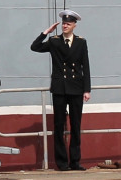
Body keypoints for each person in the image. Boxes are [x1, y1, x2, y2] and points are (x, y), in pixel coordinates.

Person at [30, 10, 91, 171]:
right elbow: (34, 47)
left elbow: (86, 66)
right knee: (58, 126)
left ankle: (75, 162)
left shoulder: (81, 42)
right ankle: (62, 163)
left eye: (68, 24)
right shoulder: (54, 41)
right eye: (64, 23)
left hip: (76, 88)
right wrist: (46, 32)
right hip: (59, 88)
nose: (65, 26)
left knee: (76, 125)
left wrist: (87, 89)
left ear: (74, 26)